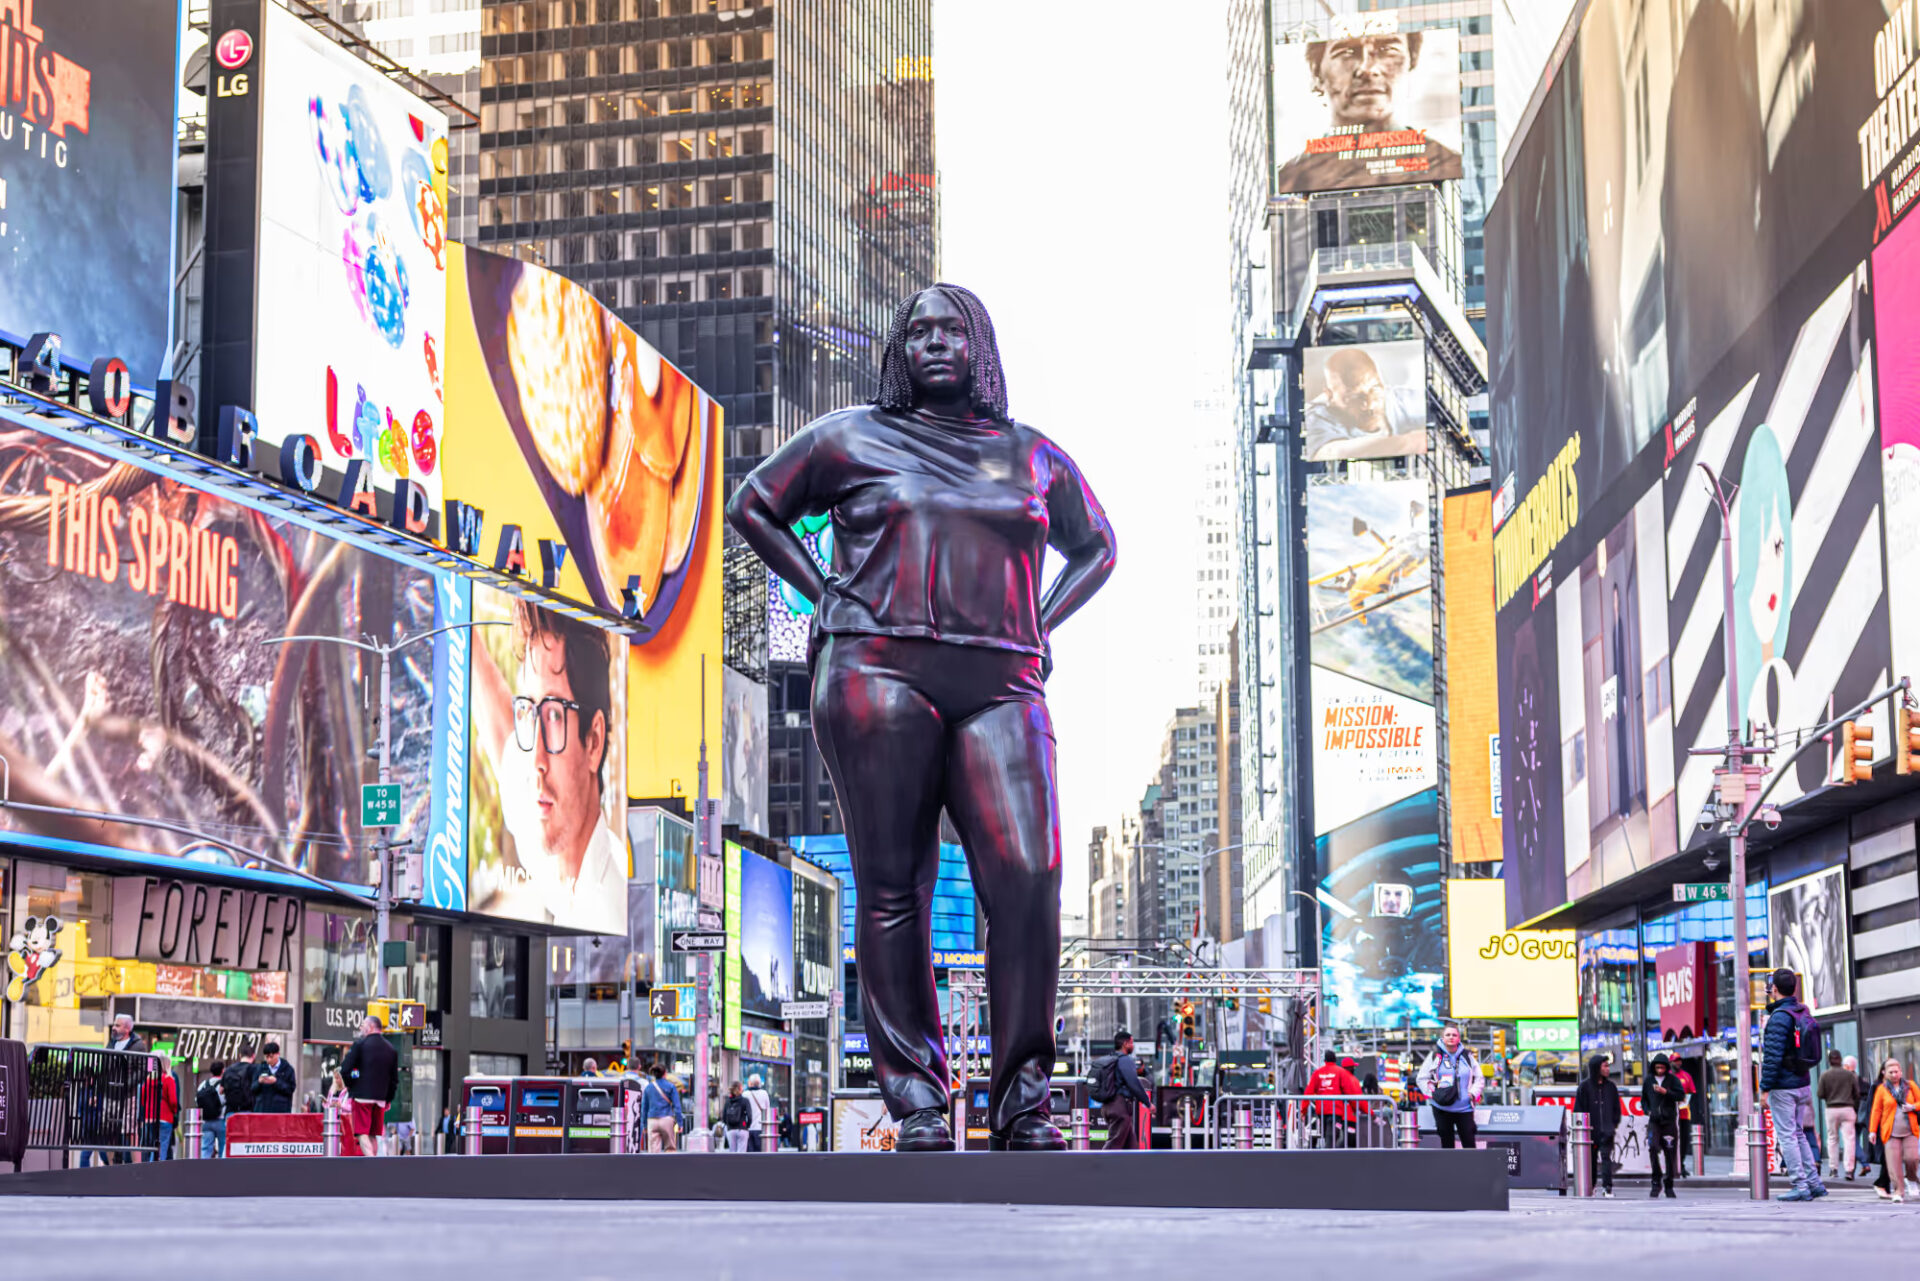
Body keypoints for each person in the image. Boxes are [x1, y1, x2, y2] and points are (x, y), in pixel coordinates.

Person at [728, 284, 1116, 1152]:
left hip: (1004, 680)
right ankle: (918, 1101)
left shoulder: (1032, 455)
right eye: (919, 332)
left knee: (1030, 873)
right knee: (895, 884)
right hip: (877, 668)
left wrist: (1042, 619)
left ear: (982, 348)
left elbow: (1098, 546)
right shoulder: (850, 436)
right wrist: (823, 590)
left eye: (953, 331)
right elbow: (753, 503)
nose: (935, 343)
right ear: (899, 351)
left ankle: (1022, 1098)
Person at [471, 599, 623, 933]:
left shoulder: (610, 912)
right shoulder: (545, 829)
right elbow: (501, 734)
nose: (536, 760)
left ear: (593, 741)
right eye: (529, 711)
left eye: (554, 715)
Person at [1272, 30, 1463, 194]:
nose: (1367, 69)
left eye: (1388, 50)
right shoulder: (1290, 177)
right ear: (1317, 74)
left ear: (1411, 65)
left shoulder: (1446, 162)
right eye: (1346, 52)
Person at [1760, 968, 1828, 1202]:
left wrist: (1765, 1089)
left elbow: (1772, 1057)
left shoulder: (1779, 1017)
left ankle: (1800, 1185)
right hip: (1802, 1082)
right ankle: (1814, 1183)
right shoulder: (1802, 1011)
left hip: (1784, 1086)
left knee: (1788, 1136)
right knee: (1798, 1134)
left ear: (1774, 989)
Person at [1301, 347, 1428, 461]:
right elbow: (1328, 452)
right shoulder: (1315, 415)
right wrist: (1409, 442)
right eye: (1354, 397)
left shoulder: (1399, 398)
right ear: (1329, 395)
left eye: (1374, 389)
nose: (1369, 404)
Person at [333, 1015, 400, 1157]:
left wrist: (352, 1085)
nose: (360, 1028)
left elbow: (345, 1069)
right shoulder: (390, 1049)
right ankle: (375, 1161)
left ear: (370, 1027)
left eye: (363, 1025)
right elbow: (394, 1079)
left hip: (361, 1097)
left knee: (362, 1133)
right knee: (373, 1134)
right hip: (380, 1099)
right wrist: (387, 1098)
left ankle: (372, 1163)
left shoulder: (360, 1045)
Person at [1415, 1024, 1483, 1149]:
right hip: (1442, 1108)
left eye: (1454, 1035)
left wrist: (1473, 1093)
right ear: (1443, 1038)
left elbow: (1479, 1078)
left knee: (1469, 1145)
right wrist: (1433, 1093)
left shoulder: (1467, 1056)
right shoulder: (1435, 1056)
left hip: (1465, 1109)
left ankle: (1471, 1163)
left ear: (1459, 1038)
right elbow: (1421, 1078)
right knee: (1447, 1146)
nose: (1451, 1037)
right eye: (1448, 1035)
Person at [1868, 1059, 1920, 1203]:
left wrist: (1912, 1107)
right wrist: (1872, 1131)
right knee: (1893, 1164)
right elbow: (1876, 1111)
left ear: (1901, 1072)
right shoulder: (1882, 1089)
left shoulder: (1910, 1086)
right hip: (1890, 1133)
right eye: (1891, 1072)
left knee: (1912, 1158)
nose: (1894, 1074)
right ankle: (1898, 1191)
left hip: (1910, 1130)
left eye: (1896, 1072)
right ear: (1884, 1073)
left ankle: (1911, 1178)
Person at [1090, 1031, 1151, 1150]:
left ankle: (1135, 1162)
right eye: (1131, 1043)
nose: (1133, 1046)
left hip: (1108, 1106)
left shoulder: (1111, 1059)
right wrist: (1148, 1103)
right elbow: (1133, 1083)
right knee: (1113, 1144)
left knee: (1131, 1146)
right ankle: (1100, 1162)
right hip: (1120, 1107)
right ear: (1125, 1044)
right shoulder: (1125, 1060)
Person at [1572, 1055, 1621, 1197]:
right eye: (1605, 1066)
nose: (1608, 1069)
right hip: (1590, 1132)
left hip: (1607, 1131)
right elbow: (1579, 1110)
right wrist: (1584, 1128)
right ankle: (1591, 1187)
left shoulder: (1611, 1087)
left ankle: (1607, 1188)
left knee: (1606, 1159)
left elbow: (1616, 1108)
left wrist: (1612, 1124)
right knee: (1591, 1161)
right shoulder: (1584, 1087)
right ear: (1596, 1068)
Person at [1305, 1050, 1364, 1149]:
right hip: (1337, 1112)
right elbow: (1351, 1093)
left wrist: (1303, 1110)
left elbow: (1308, 1092)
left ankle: (1326, 1153)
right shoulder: (1342, 1073)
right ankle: (1329, 1154)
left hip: (1322, 1111)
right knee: (1335, 1137)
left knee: (1330, 1136)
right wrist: (1356, 1108)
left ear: (1325, 1060)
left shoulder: (1317, 1073)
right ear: (1335, 1060)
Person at [1818, 1048, 1861, 1181]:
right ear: (1841, 1060)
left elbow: (1820, 1094)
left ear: (1829, 1061)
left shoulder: (1825, 1075)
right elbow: (1857, 1093)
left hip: (1831, 1109)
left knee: (1832, 1139)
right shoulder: (1849, 1075)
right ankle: (1849, 1170)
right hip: (1847, 1108)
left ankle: (1833, 1168)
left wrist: (1830, 1096)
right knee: (1849, 1140)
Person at [1643, 1054, 1681, 1198]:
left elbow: (1680, 1095)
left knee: (1670, 1153)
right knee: (1652, 1147)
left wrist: (1666, 1092)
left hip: (1669, 1122)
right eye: (1657, 1067)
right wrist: (1647, 1111)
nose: (1660, 1070)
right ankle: (1656, 1180)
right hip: (1654, 1121)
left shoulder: (1673, 1080)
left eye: (1662, 1068)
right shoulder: (1648, 1081)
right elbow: (1644, 1099)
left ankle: (1669, 1184)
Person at [139, 1055, 179, 1161]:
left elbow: (142, 1099)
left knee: (153, 1147)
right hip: (165, 1118)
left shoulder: (148, 1081)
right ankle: (158, 1169)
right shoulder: (169, 1079)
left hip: (149, 1118)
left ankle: (151, 1166)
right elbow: (173, 1101)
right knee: (163, 1149)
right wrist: (174, 1112)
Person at [641, 1064, 681, 1153]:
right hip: (666, 1119)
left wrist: (644, 1125)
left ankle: (654, 1162)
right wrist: (680, 1123)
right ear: (665, 1073)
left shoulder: (648, 1088)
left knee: (653, 1151)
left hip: (652, 1120)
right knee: (670, 1149)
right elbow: (677, 1106)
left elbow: (644, 1108)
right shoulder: (671, 1086)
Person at [1670, 1057, 1698, 1177]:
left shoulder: (1686, 1076)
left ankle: (1680, 1164)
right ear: (1671, 1062)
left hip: (1684, 1114)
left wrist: (1683, 1101)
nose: (1678, 1063)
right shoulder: (1666, 1076)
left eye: (1679, 1061)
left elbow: (1692, 1092)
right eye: (1675, 1061)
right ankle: (1672, 1165)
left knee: (1683, 1141)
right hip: (1670, 1115)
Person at [253, 1042, 296, 1114]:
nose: (269, 1060)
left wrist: (276, 1082)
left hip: (281, 1111)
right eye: (267, 1057)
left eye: (271, 1057)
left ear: (278, 1054)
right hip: (262, 1110)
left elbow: (290, 1089)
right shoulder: (260, 1068)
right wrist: (259, 1082)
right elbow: (252, 1088)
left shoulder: (288, 1069)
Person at [196, 1062, 227, 1159]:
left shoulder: (203, 1084)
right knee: (223, 1148)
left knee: (206, 1148)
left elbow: (197, 1100)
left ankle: (204, 1167)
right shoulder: (224, 1084)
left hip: (206, 1121)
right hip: (221, 1119)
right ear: (223, 1070)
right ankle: (223, 1167)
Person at [219, 1047, 257, 1121]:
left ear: (240, 1055)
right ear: (253, 1056)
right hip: (248, 1112)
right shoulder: (254, 1069)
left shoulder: (228, 1070)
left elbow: (221, 1090)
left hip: (230, 1113)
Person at [743, 1074, 773, 1152]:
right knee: (760, 1152)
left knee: (749, 1153)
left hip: (748, 1128)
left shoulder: (745, 1094)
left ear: (750, 1083)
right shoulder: (764, 1093)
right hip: (760, 1128)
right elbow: (767, 1109)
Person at [722, 1081, 753, 1153]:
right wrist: (746, 1126)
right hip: (742, 1129)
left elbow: (724, 1117)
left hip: (730, 1130)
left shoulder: (727, 1101)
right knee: (741, 1154)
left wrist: (729, 1125)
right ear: (740, 1088)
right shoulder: (745, 1100)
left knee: (732, 1153)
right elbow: (749, 1116)